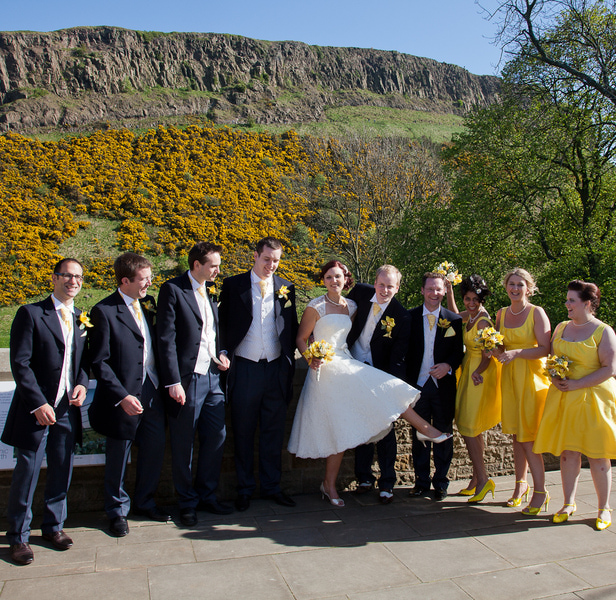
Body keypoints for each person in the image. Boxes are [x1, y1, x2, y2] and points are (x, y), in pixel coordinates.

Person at [288, 261, 451, 507]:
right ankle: (423, 430)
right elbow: (301, 338)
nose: (334, 281)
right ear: (374, 283)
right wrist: (312, 357)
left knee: (362, 417)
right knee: (340, 427)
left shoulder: (357, 306)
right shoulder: (326, 303)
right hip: (328, 368)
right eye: (329, 277)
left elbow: (395, 354)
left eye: (338, 277)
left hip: (352, 364)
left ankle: (367, 482)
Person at [2, 258, 89, 565]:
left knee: (62, 468)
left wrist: (82, 384)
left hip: (67, 408)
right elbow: (20, 363)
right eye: (67, 275)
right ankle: (18, 537)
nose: (73, 281)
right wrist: (38, 403)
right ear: (54, 278)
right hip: (35, 409)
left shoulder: (81, 318)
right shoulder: (31, 313)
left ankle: (54, 526)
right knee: (27, 472)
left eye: (78, 277)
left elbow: (82, 362)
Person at [88, 253, 168, 537]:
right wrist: (121, 396)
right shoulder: (104, 310)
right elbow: (100, 362)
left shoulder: (148, 304)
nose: (149, 283)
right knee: (119, 455)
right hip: (122, 397)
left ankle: (145, 502)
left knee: (154, 449)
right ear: (125, 281)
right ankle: (117, 511)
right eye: (144, 279)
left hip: (152, 389)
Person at [219, 237, 298, 512]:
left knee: (273, 432)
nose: (271, 265)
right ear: (255, 256)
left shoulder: (286, 287)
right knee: (242, 431)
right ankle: (244, 489)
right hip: (245, 367)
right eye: (267, 259)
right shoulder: (233, 285)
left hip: (275, 368)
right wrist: (223, 351)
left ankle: (272, 487)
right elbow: (222, 323)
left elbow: (291, 325)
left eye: (276, 261)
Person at [157, 242, 232, 527]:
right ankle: (187, 503)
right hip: (187, 379)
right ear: (197, 264)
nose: (218, 270)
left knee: (216, 437)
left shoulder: (210, 289)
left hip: (213, 377)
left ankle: (207, 495)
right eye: (213, 265)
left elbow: (213, 331)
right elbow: (166, 339)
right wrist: (173, 381)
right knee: (183, 442)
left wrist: (221, 353)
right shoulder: (172, 289)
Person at [534, 281, 616, 530]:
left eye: (572, 300)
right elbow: (551, 359)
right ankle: (568, 503)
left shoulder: (603, 331)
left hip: (594, 400)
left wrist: (578, 383)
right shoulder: (560, 327)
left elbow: (610, 369)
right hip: (565, 398)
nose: (567, 304)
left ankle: (603, 508)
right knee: (568, 454)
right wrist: (554, 376)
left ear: (587, 303)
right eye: (567, 299)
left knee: (598, 455)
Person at [346, 265, 410, 504]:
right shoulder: (360, 293)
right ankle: (363, 478)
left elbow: (399, 356)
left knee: (385, 430)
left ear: (397, 287)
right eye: (381, 284)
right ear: (374, 283)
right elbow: (340, 314)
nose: (384, 290)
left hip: (380, 375)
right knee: (361, 425)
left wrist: (391, 386)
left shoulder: (401, 316)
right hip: (352, 367)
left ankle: (387, 482)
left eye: (390, 286)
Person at [493, 268, 551, 515]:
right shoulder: (501, 313)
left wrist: (517, 353)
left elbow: (545, 348)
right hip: (509, 379)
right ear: (506, 286)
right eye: (511, 284)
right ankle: (520, 485)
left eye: (520, 284)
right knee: (517, 435)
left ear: (529, 288)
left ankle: (541, 492)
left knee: (528, 437)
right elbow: (500, 347)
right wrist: (492, 350)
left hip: (532, 379)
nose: (515, 288)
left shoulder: (537, 313)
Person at [406, 272, 464, 501]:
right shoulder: (409, 317)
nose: (434, 293)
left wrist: (448, 365)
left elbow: (458, 353)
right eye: (430, 289)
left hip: (443, 387)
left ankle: (441, 482)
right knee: (419, 436)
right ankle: (421, 482)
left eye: (438, 289)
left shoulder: (454, 320)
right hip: (417, 386)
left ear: (444, 291)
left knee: (444, 434)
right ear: (422, 290)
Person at [446, 275, 501, 502]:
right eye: (467, 299)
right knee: (472, 428)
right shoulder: (470, 316)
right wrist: (449, 290)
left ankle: (484, 479)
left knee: (469, 427)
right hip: (469, 369)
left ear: (481, 300)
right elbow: (452, 315)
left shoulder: (483, 322)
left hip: (480, 374)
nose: (470, 303)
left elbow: (489, 352)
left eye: (475, 300)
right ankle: (477, 479)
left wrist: (478, 372)